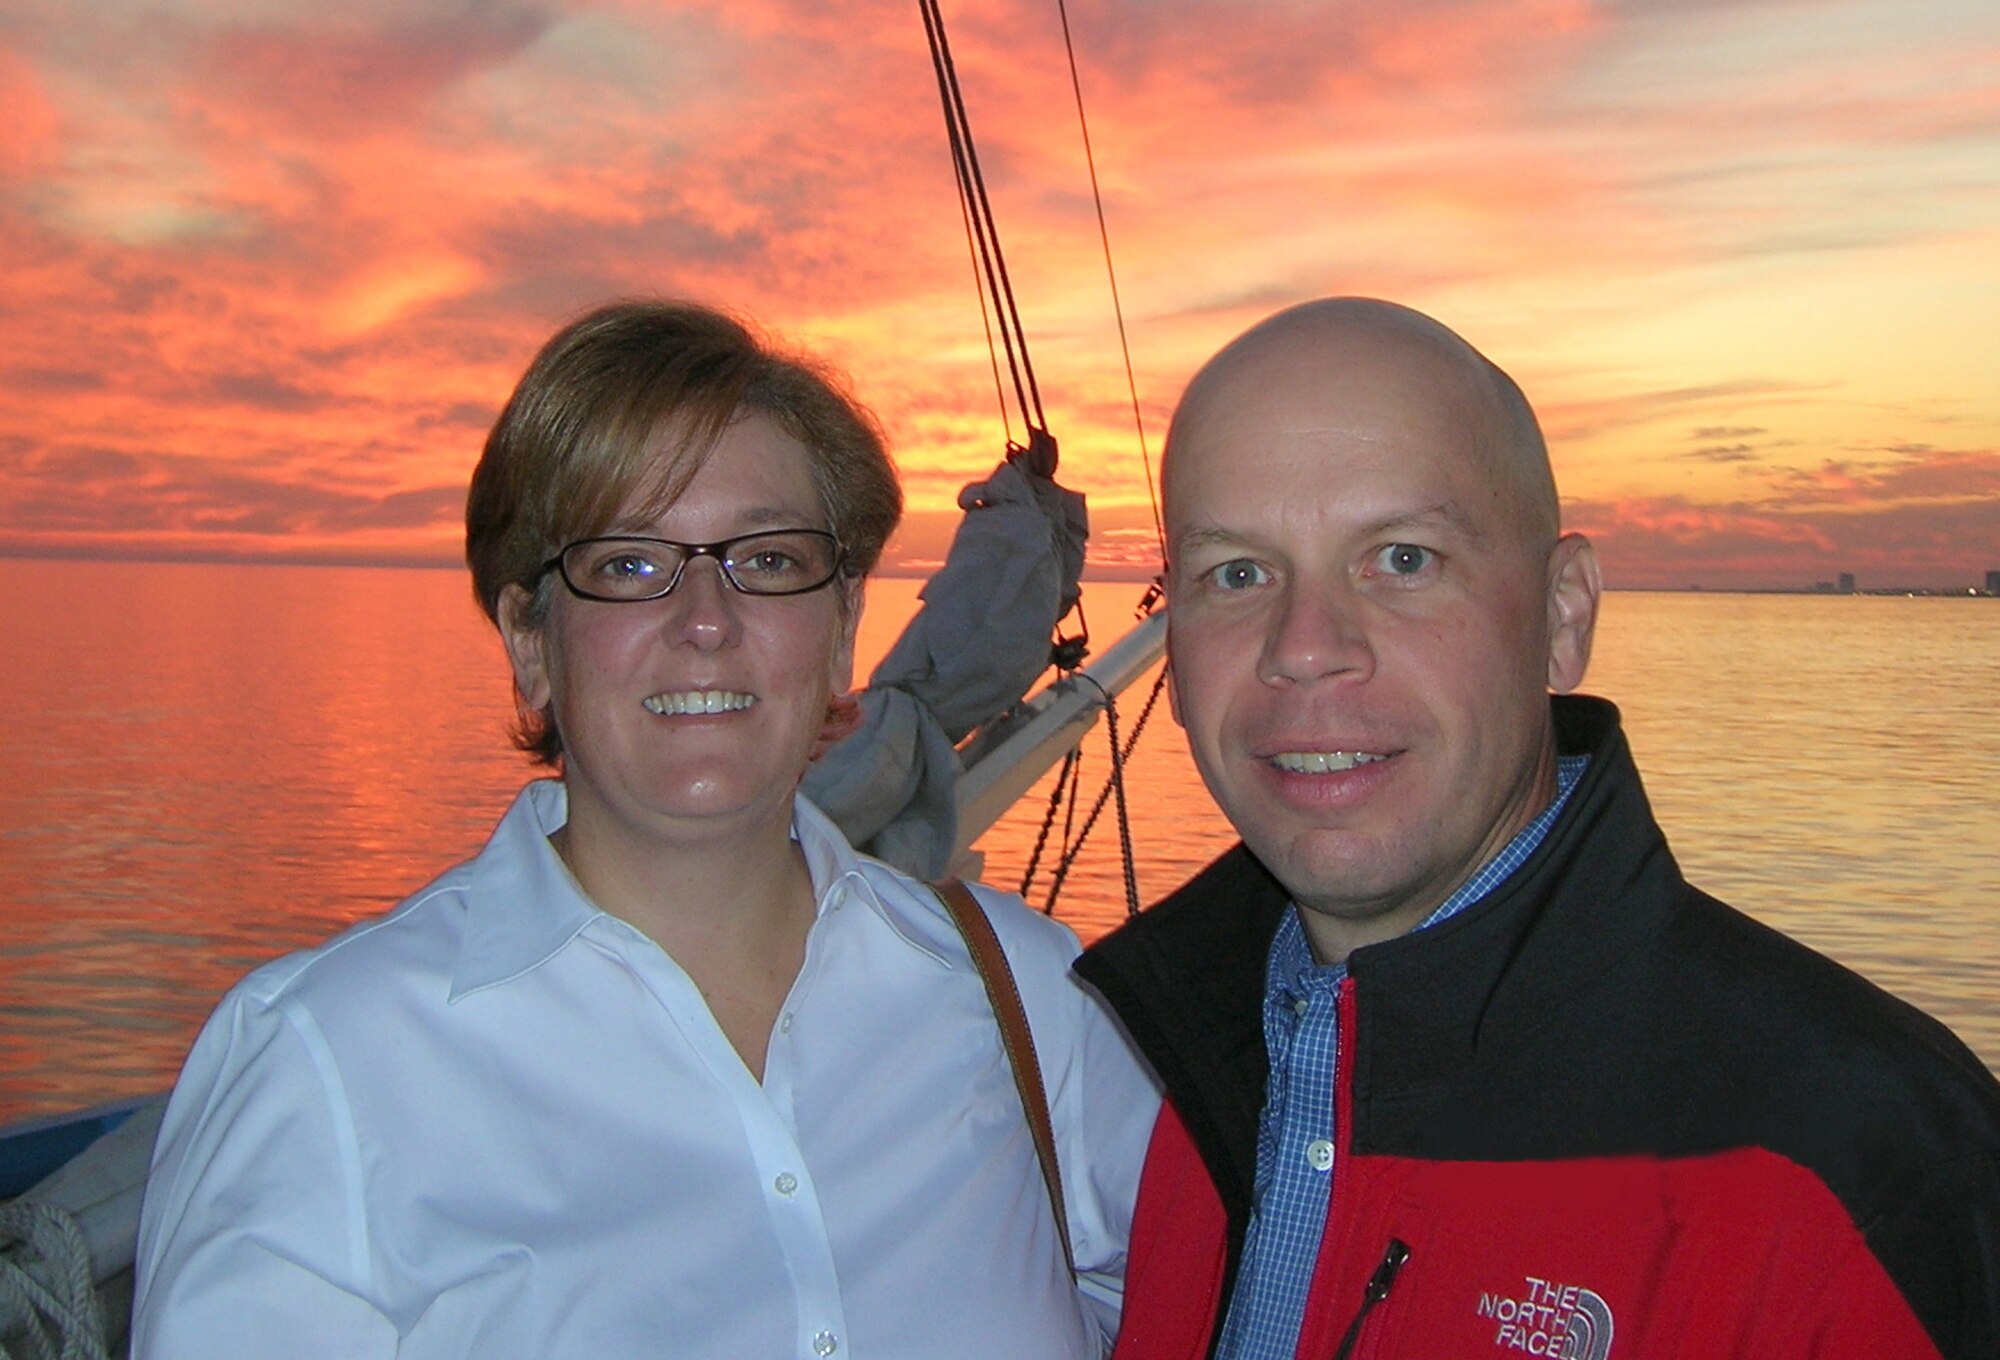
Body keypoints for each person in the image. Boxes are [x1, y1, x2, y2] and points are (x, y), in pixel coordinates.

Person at [132, 300, 1159, 1359]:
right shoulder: (326, 1066)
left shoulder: (1033, 1005)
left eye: (765, 560)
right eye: (627, 564)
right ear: (531, 642)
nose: (705, 619)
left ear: (843, 628)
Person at [1074, 297, 2000, 1360]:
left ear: (1561, 617)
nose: (1305, 646)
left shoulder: (1859, 1168)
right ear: (1173, 657)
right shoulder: (1172, 1075)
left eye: (1402, 559)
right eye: (1235, 573)